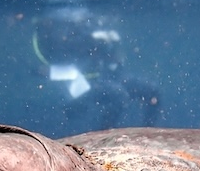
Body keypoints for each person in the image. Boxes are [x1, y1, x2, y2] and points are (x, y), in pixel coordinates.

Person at [33, 10, 161, 129]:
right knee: (119, 95)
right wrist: (90, 43)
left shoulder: (92, 30)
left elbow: (115, 61)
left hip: (106, 77)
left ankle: (149, 132)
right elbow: (48, 67)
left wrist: (113, 45)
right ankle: (104, 138)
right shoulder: (56, 36)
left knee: (152, 90)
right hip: (81, 84)